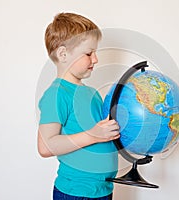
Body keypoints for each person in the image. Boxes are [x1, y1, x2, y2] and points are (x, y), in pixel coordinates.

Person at [37, 12, 120, 200]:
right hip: (75, 192)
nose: (96, 59)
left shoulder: (92, 93)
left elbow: (103, 134)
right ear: (63, 54)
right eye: (89, 53)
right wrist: (93, 135)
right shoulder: (57, 94)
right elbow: (45, 146)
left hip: (103, 189)